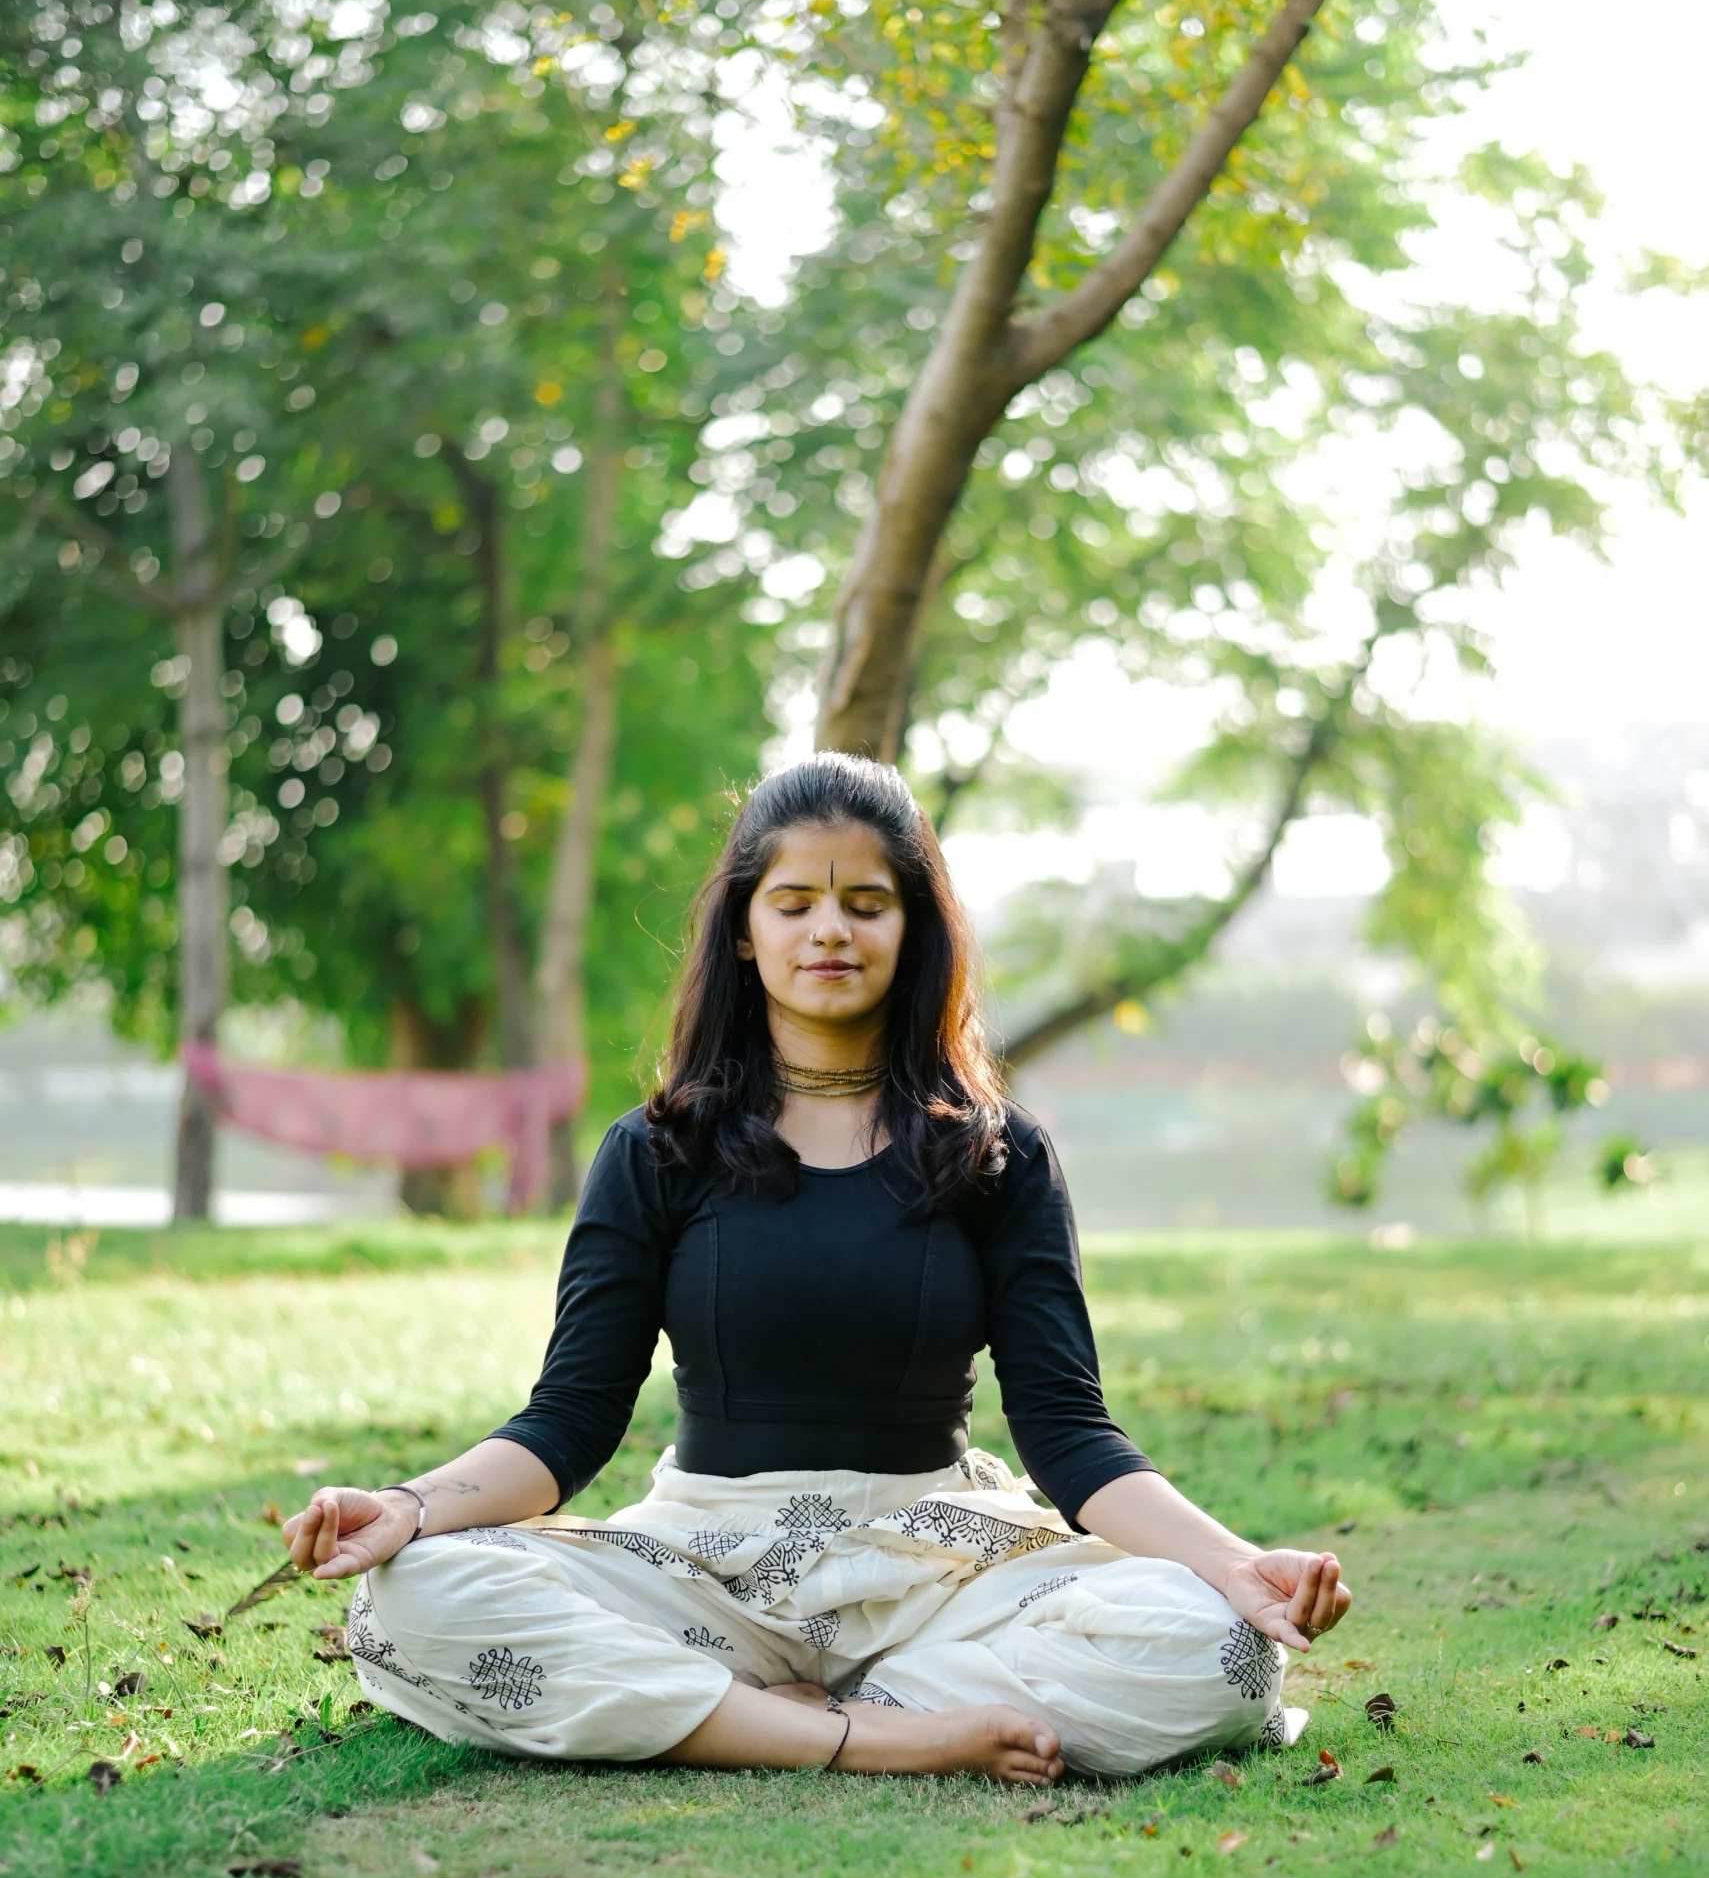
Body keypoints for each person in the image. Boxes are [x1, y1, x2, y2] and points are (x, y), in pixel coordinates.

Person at [285, 755, 1348, 1784]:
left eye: (864, 902)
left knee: (1219, 1644)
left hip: (941, 1567)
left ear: (912, 927)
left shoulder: (997, 1154)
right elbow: (567, 1419)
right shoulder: (657, 1151)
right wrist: (407, 1506)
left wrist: (1231, 1564)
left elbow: (1068, 1433)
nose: (828, 928)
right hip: (706, 1567)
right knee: (411, 1595)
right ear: (744, 932)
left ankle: (754, 1716)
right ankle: (873, 1735)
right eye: (792, 901)